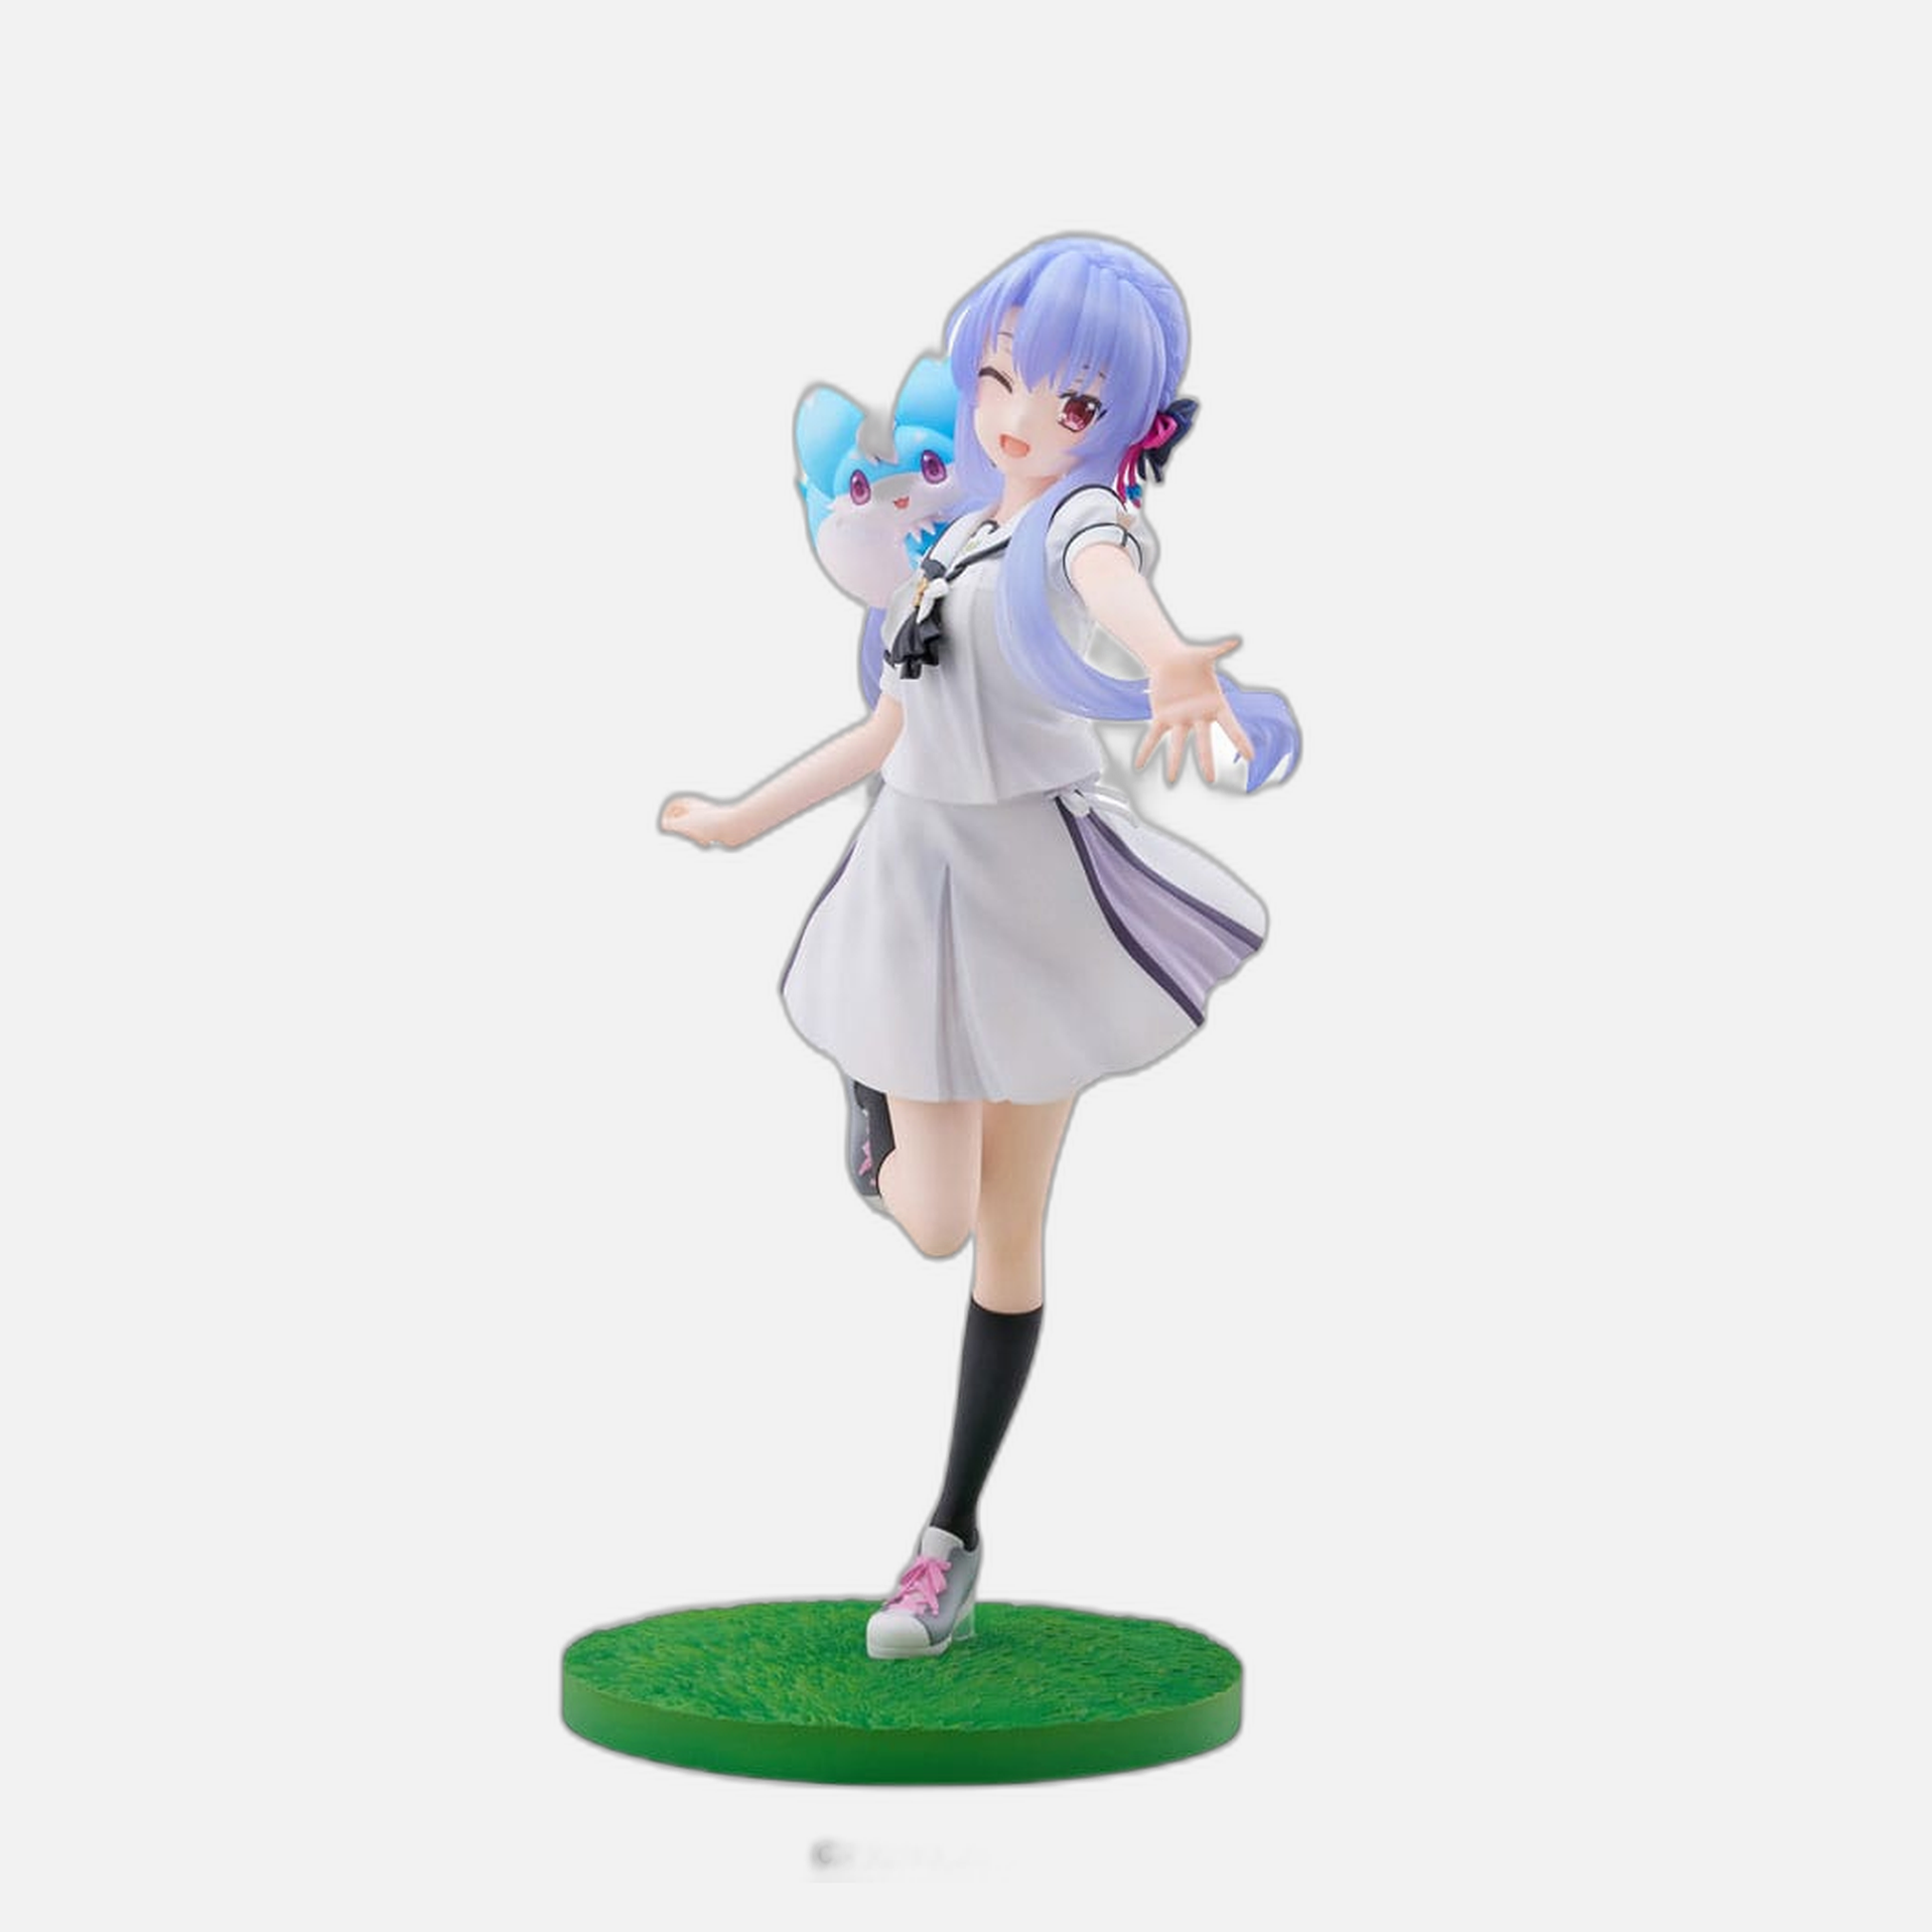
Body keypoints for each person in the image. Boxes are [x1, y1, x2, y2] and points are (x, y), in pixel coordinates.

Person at [660, 235, 1299, 1659]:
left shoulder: (1081, 525)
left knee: (1006, 1231)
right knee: (933, 1217)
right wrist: (742, 819)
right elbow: (890, 731)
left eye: (1069, 402)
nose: (1018, 419)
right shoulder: (946, 545)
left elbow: (1106, 577)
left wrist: (1169, 657)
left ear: (1118, 423)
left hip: (1040, 902)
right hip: (916, 882)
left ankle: (945, 1537)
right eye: (1001, 379)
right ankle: (872, 1084)